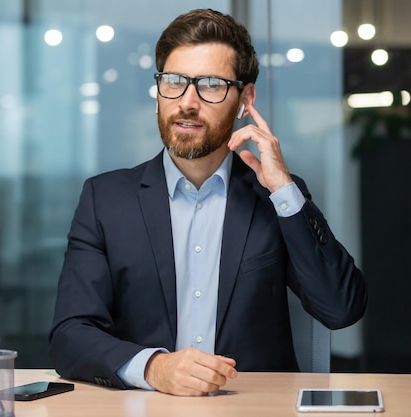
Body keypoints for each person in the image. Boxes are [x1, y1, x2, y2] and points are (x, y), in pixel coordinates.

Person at [49, 8, 367, 397]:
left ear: (244, 99)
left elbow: (341, 308)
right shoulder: (106, 199)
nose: (187, 101)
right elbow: (70, 334)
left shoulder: (276, 197)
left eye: (211, 85)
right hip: (147, 406)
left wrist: (284, 190)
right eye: (174, 81)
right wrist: (154, 367)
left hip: (254, 406)